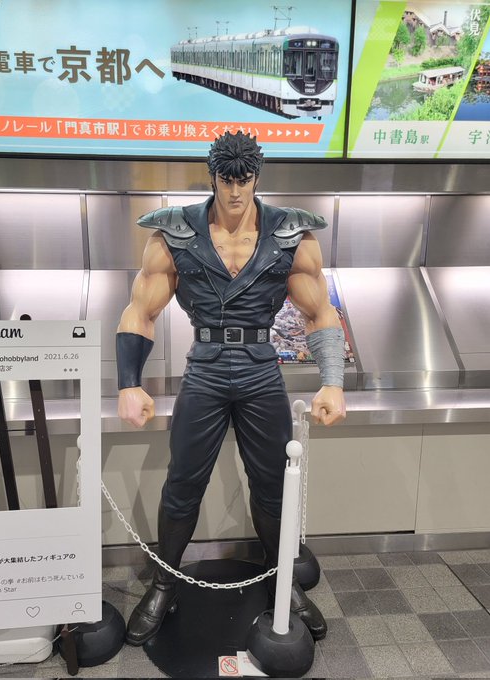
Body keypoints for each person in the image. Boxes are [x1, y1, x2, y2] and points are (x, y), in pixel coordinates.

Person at [117, 131, 346, 646]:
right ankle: (165, 583)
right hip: (206, 367)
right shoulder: (174, 232)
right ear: (213, 177)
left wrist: (333, 381)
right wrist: (128, 383)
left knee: (273, 483)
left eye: (245, 179)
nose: (236, 191)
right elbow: (140, 309)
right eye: (227, 180)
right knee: (183, 483)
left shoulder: (290, 232)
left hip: (262, 368)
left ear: (257, 178)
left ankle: (283, 584)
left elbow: (319, 311)